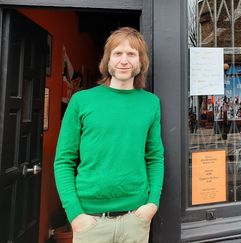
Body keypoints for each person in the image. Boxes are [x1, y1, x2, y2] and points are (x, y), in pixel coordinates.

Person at [54, 27, 164, 243]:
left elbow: (155, 156)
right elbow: (63, 161)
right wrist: (75, 214)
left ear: (141, 62)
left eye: (131, 54)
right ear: (108, 60)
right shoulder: (81, 101)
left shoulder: (151, 103)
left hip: (135, 219)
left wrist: (152, 204)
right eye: (118, 53)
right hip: (90, 220)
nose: (124, 60)